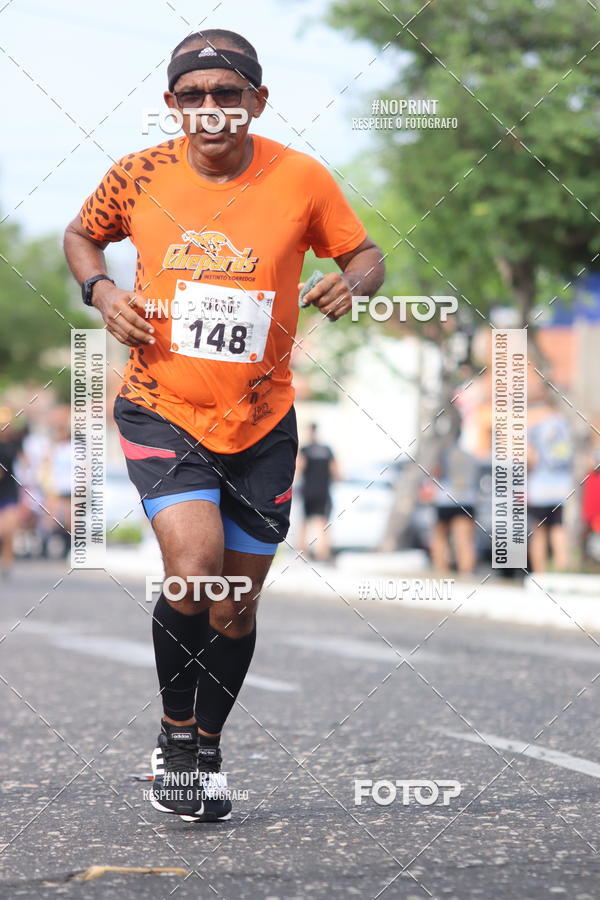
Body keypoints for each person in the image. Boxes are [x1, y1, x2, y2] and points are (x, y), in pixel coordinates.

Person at [64, 29, 384, 822]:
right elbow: (81, 236)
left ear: (257, 102)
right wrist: (103, 293)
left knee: (235, 604)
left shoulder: (301, 177)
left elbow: (367, 252)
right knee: (195, 563)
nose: (211, 109)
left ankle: (206, 745)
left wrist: (355, 283)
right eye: (194, 96)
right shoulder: (137, 176)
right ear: (172, 105)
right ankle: (175, 737)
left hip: (263, 420)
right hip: (162, 406)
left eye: (228, 95)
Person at [527, 399, 573, 573]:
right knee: (559, 530)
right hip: (563, 488)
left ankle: (539, 574)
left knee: (538, 532)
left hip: (540, 488)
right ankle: (562, 573)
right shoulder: (567, 425)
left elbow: (529, 458)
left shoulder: (535, 426)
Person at [429, 427, 479, 575]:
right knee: (464, 540)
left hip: (445, 499)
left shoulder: (442, 454)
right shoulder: (470, 456)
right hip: (467, 500)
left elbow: (434, 472)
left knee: (439, 537)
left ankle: (441, 570)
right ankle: (467, 573)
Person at [297, 423, 338, 561]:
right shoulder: (327, 450)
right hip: (323, 491)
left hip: (307, 491)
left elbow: (299, 468)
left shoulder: (305, 449)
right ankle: (323, 554)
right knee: (322, 522)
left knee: (304, 522)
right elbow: (336, 472)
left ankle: (303, 554)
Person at [0, 408, 25, 578]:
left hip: (9, 489)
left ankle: (7, 564)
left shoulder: (15, 443)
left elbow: (24, 462)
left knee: (9, 530)